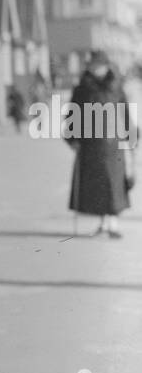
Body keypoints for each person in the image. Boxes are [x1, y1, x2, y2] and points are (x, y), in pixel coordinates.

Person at [65, 52, 132, 238]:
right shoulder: (82, 89)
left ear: (107, 66)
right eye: (93, 66)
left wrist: (131, 135)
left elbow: (124, 112)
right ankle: (103, 223)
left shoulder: (116, 87)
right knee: (98, 185)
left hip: (113, 145)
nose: (96, 69)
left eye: (99, 66)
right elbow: (72, 115)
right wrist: (73, 138)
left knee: (114, 184)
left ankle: (114, 224)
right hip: (90, 145)